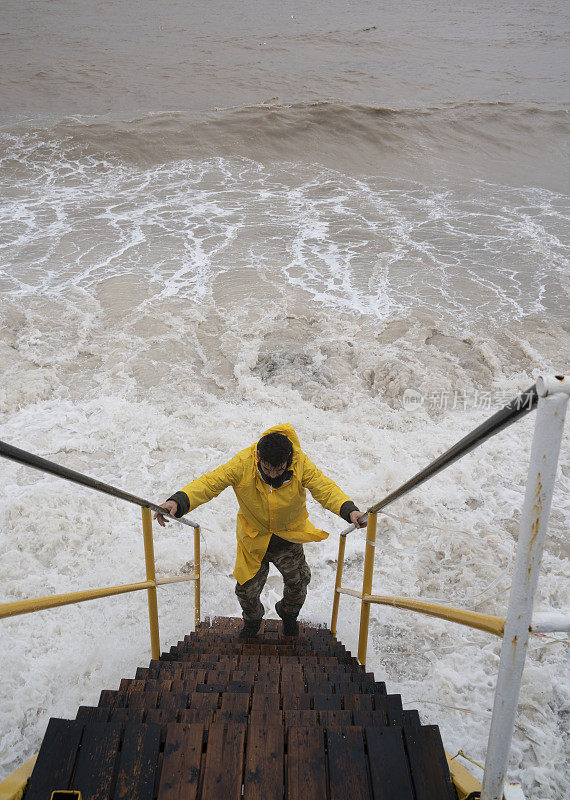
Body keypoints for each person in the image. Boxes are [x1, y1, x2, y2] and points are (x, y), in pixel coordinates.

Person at [154, 423, 366, 637]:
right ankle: (253, 621)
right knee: (245, 591)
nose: (273, 475)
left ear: (289, 460)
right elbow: (209, 484)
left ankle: (288, 614)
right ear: (258, 458)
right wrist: (178, 502)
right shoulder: (243, 463)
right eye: (267, 469)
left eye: (279, 469)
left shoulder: (300, 463)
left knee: (299, 582)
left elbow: (325, 489)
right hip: (254, 539)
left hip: (288, 537)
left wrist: (350, 511)